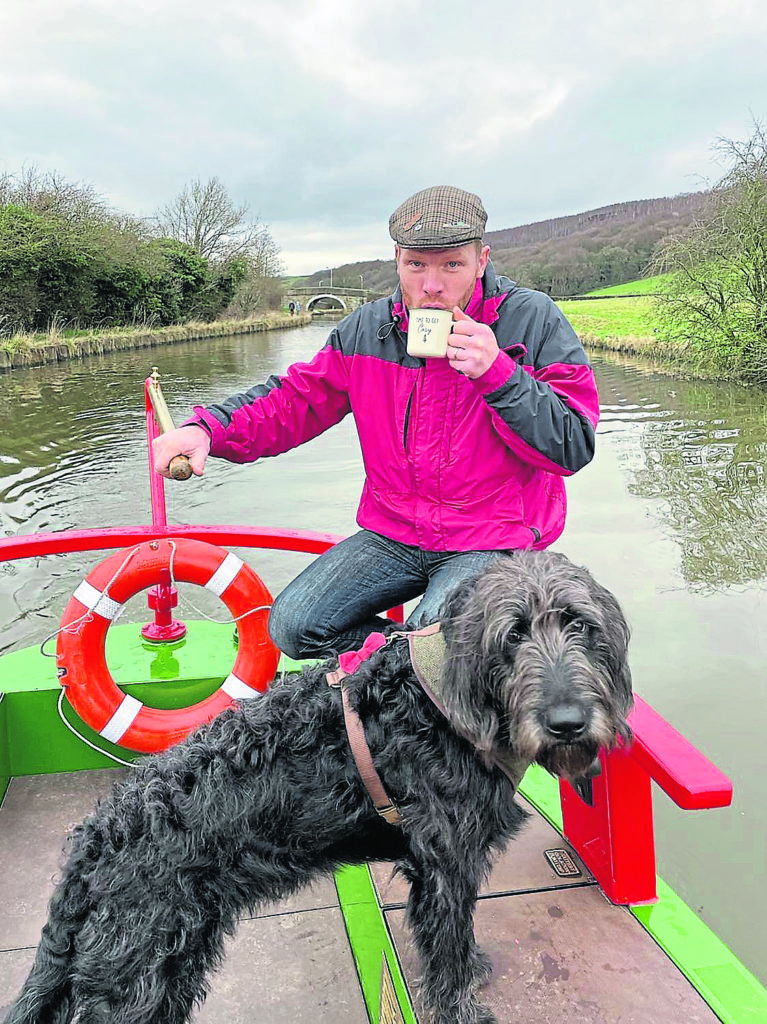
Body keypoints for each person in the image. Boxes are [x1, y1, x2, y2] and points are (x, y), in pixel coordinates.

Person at [153, 185, 599, 659]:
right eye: (416, 265)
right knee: (294, 626)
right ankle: (412, 667)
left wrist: (498, 374)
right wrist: (209, 428)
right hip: (396, 532)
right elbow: (294, 400)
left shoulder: (532, 319)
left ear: (482, 260)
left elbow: (571, 443)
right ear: (397, 260)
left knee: (436, 640)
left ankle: (425, 668)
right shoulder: (366, 329)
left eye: (452, 265)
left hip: (493, 536)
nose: (432, 284)